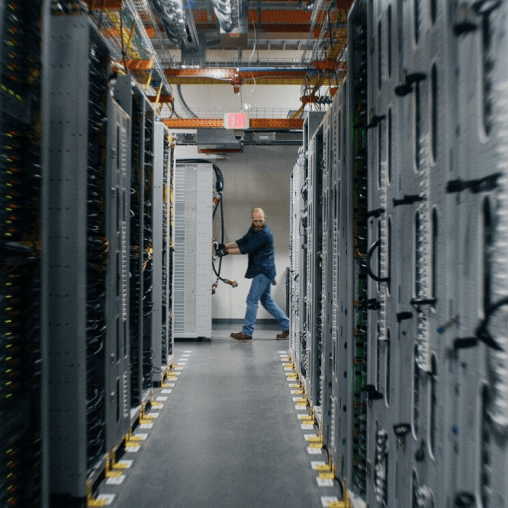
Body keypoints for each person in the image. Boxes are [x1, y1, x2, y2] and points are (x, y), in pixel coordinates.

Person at [215, 208, 289, 341]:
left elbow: (247, 248)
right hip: (262, 271)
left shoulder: (265, 234)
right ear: (252, 220)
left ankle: (247, 332)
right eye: (256, 221)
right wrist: (224, 246)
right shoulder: (253, 230)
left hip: (263, 272)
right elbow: (243, 241)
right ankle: (288, 325)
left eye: (260, 221)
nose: (258, 224)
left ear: (264, 218)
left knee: (251, 300)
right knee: (267, 301)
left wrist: (226, 252)